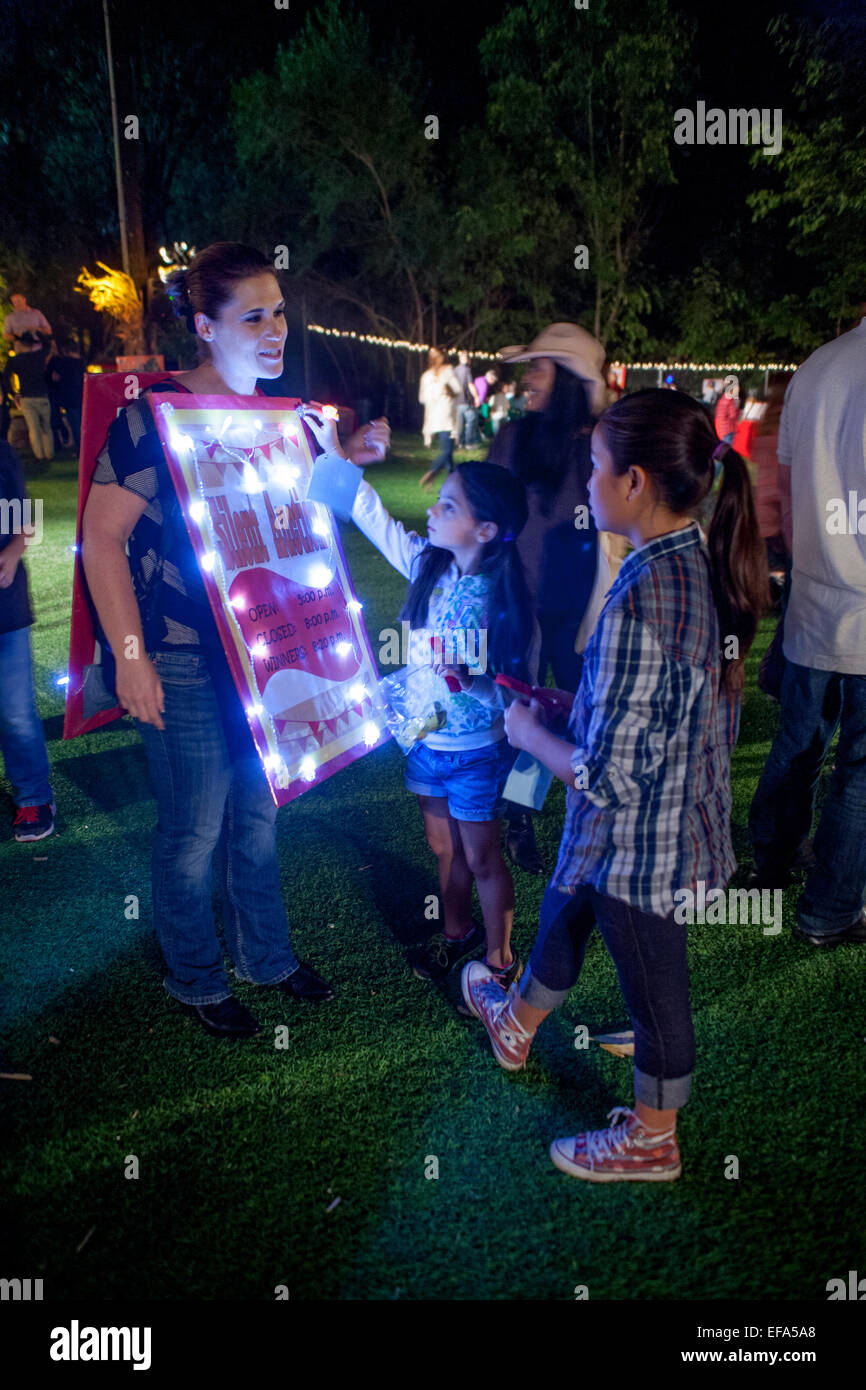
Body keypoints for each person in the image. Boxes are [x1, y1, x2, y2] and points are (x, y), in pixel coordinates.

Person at [81, 241, 390, 1038]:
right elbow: (102, 538)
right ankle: (194, 975)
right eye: (252, 315)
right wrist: (129, 655)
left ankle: (267, 955)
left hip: (269, 654)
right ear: (204, 326)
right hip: (181, 654)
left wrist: (348, 458)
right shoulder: (153, 417)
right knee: (194, 828)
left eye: (279, 310)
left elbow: (297, 527)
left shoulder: (291, 421)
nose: (274, 328)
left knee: (260, 812)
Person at [462, 388, 767, 1182]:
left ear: (634, 482)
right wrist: (571, 704)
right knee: (565, 908)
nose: (585, 486)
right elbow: (659, 708)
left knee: (655, 991)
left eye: (595, 468)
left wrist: (530, 734)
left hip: (642, 848)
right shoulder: (688, 559)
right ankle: (517, 1024)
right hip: (652, 826)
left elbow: (608, 775)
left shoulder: (642, 599)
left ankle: (653, 1138)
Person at [308, 433, 538, 987]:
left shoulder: (500, 599)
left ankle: (501, 960)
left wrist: (473, 681)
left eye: (450, 505)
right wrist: (333, 456)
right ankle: (455, 937)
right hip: (423, 742)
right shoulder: (426, 566)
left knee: (482, 858)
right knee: (443, 849)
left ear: (485, 531)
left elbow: (514, 692)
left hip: (475, 754)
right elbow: (372, 515)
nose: (433, 509)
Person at [748, 317, 866, 946]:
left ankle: (771, 863)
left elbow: (789, 494)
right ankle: (831, 910)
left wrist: (806, 565)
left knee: (800, 741)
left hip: (813, 594)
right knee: (860, 766)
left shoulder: (817, 366)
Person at [487, 323, 613, 875]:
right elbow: (483, 509)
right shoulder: (515, 439)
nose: (527, 379)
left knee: (590, 716)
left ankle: (592, 816)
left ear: (566, 380)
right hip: (522, 606)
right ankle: (516, 818)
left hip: (586, 613)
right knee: (524, 711)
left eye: (539, 368)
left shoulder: (601, 445)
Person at [0, 440, 56, 840]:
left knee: (16, 710)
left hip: (5, 605)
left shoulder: (1, 454)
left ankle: (34, 796)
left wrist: (14, 551)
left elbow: (24, 518)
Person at [418, 348, 461, 488]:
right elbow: (458, 390)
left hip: (434, 416)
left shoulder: (426, 376)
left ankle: (453, 480)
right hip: (445, 414)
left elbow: (422, 399)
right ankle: (433, 471)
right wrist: (446, 391)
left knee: (448, 449)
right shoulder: (447, 371)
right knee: (448, 449)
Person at [7, 331, 53, 461]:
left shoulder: (16, 360)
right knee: (46, 427)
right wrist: (38, 332)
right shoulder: (39, 356)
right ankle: (49, 453)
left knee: (34, 428)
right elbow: (48, 344)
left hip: (26, 396)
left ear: (21, 344)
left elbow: (6, 377)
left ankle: (39, 455)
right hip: (42, 395)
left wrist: (13, 393)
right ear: (33, 344)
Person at [48, 338, 86, 453]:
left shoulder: (64, 362)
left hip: (69, 397)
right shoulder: (81, 362)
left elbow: (54, 377)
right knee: (81, 424)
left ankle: (80, 450)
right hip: (81, 396)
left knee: (75, 425)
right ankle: (83, 449)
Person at [454, 349, 481, 448]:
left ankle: (460, 443)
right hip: (466, 401)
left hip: (457, 401)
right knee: (471, 421)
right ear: (468, 359)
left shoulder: (455, 369)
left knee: (460, 424)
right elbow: (470, 384)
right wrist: (476, 397)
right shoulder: (467, 369)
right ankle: (469, 443)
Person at [714, 380, 739, 444]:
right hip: (728, 429)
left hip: (720, 429)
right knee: (730, 451)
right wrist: (739, 412)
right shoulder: (730, 399)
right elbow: (733, 415)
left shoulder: (722, 399)